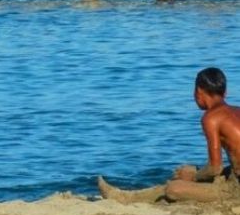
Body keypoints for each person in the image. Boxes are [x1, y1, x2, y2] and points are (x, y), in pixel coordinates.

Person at [99, 67, 240, 204]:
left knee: (174, 189)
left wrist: (194, 177)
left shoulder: (211, 118)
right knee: (186, 171)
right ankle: (129, 195)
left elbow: (215, 168)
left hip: (236, 188)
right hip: (234, 175)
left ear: (198, 91)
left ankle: (125, 198)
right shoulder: (236, 111)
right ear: (225, 92)